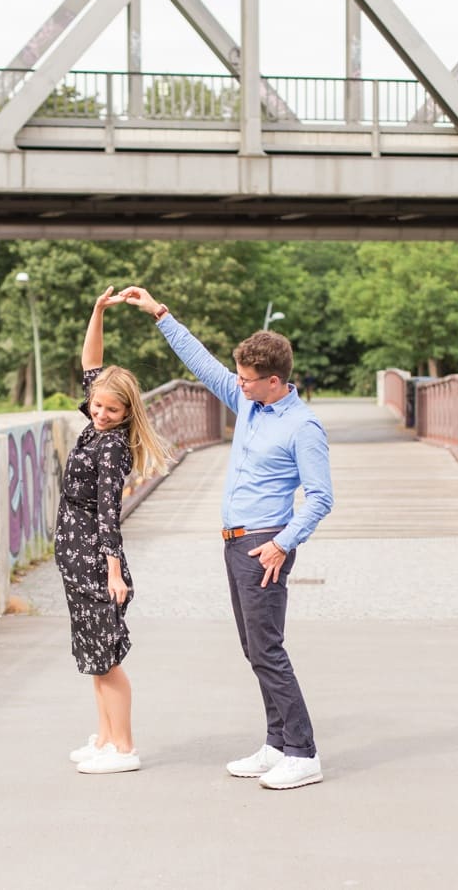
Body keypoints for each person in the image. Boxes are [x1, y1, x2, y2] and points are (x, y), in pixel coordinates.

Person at [120, 285, 334, 791]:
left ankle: (303, 752)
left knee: (268, 649)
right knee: (253, 647)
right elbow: (204, 365)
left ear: (274, 381)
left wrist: (284, 542)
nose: (237, 383)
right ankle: (276, 743)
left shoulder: (303, 427)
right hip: (234, 543)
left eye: (247, 379)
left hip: (264, 544)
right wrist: (160, 314)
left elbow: (321, 498)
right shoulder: (250, 403)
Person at [59, 287, 172, 775]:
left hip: (94, 562)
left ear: (127, 413)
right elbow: (92, 360)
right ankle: (104, 739)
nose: (99, 413)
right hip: (76, 557)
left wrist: (114, 573)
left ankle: (123, 748)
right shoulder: (94, 422)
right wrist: (97, 312)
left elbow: (109, 513)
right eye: (96, 406)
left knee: (106, 658)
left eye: (110, 410)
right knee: (92, 654)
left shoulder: (111, 448)